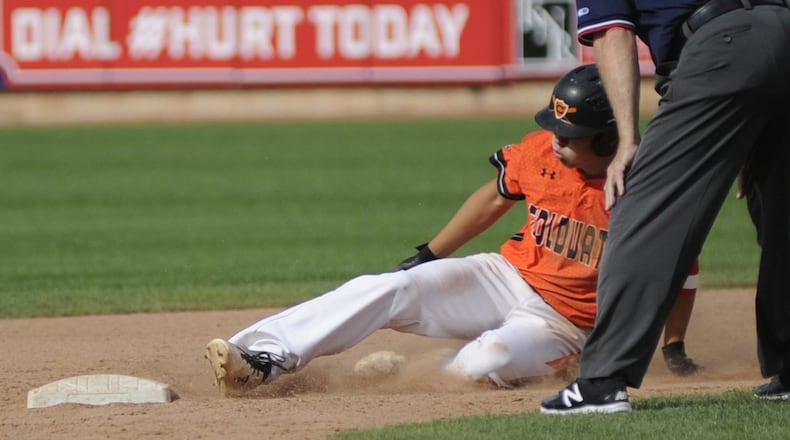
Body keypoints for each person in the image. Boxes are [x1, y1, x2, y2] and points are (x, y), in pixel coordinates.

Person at [204, 65, 701, 398]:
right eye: (553, 128)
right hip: (506, 274)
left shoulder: (647, 191)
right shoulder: (540, 152)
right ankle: (264, 356)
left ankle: (430, 371)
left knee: (486, 361)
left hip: (569, 322)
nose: (555, 142)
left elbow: (684, 270)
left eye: (569, 137)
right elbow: (493, 199)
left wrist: (672, 347)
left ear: (611, 137)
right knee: (390, 287)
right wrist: (430, 255)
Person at [540, 0, 790, 415]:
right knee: (783, 215)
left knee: (643, 209)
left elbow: (612, 32)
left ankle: (602, 381)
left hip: (720, 48)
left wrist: (625, 139)